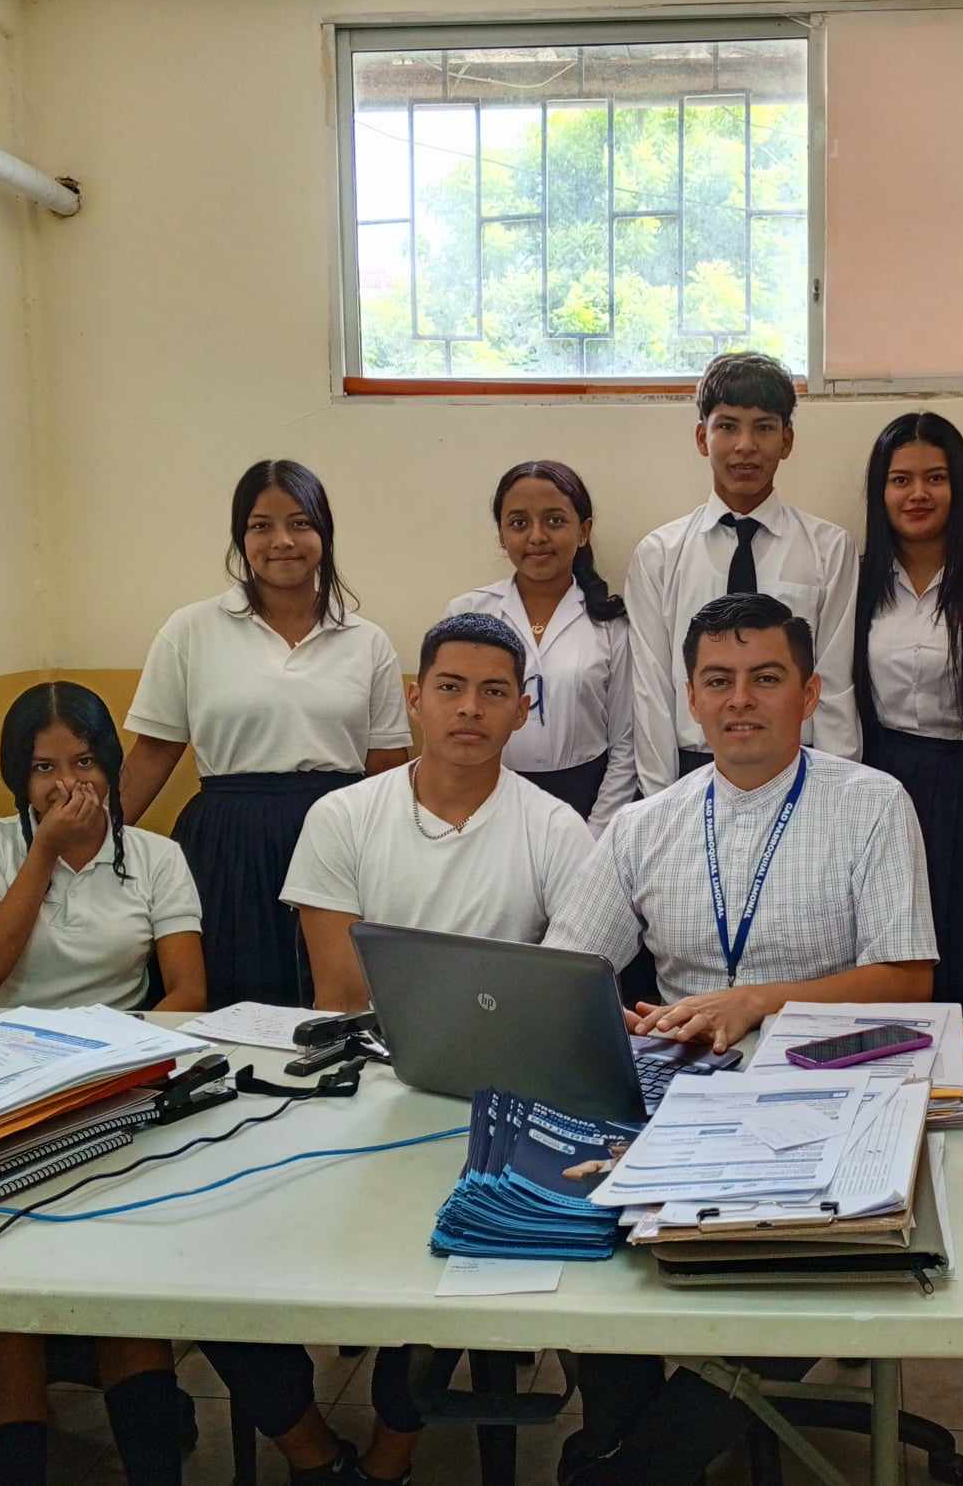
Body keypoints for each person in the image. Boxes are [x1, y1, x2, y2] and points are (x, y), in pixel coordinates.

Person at [544, 593, 937, 1485]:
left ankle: (644, 1461)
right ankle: (618, 1429)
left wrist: (758, 1001)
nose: (741, 701)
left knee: (783, 1258)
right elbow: (568, 970)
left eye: (766, 678)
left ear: (810, 693)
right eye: (718, 681)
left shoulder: (874, 804)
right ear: (691, 697)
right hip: (677, 1093)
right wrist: (611, 1013)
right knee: (570, 1214)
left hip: (833, 1095)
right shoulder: (647, 823)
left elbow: (907, 979)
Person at [200, 612, 595, 1484]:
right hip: (364, 1088)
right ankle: (309, 1449)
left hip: (496, 1104)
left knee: (462, 1246)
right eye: (450, 688)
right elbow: (341, 995)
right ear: (415, 700)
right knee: (208, 1254)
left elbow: (558, 1001)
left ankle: (389, 1452)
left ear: (523, 709)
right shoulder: (343, 817)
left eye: (494, 692)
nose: (470, 709)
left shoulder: (557, 829)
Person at [0, 680, 203, 1486]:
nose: (67, 784)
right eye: (44, 767)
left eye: (84, 762)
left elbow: (188, 992)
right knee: (5, 1301)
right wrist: (43, 853)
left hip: (104, 1084)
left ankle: (152, 1462)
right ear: (17, 777)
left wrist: (112, 1059)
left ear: (112, 766)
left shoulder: (154, 857)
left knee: (116, 1277)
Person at [119, 460, 412, 1009]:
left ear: (324, 533)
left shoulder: (366, 640)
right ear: (241, 537)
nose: (282, 541)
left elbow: (388, 767)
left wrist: (405, 863)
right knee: (232, 1000)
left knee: (337, 1004)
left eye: (300, 523)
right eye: (261, 526)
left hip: (339, 837)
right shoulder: (191, 629)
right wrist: (96, 846)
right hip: (227, 844)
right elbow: (153, 754)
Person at [852, 410, 963, 1023]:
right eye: (901, 480)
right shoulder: (859, 581)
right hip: (884, 775)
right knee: (890, 944)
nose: (918, 494)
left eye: (935, 478)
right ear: (880, 492)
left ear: (959, 487)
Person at [625, 351, 861, 797]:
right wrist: (661, 802)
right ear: (703, 437)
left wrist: (834, 797)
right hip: (691, 770)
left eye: (764, 428)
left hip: (798, 771)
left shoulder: (829, 549)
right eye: (728, 426)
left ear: (787, 440)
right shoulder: (659, 555)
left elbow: (833, 687)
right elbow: (651, 692)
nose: (745, 445)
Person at [445, 460, 637, 834]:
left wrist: (596, 835)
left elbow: (626, 744)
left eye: (554, 521)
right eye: (519, 523)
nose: (537, 537)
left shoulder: (611, 624)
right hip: (487, 799)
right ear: (502, 535)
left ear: (583, 531)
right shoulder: (468, 614)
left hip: (587, 800)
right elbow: (447, 727)